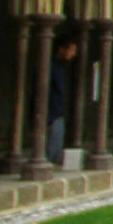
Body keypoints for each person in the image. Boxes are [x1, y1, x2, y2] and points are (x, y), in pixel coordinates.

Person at [47, 36, 78, 164]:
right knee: (51, 152)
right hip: (52, 115)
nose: (73, 54)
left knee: (56, 149)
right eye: (71, 50)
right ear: (61, 49)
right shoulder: (51, 67)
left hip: (58, 114)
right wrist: (48, 118)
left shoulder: (59, 67)